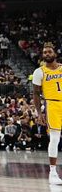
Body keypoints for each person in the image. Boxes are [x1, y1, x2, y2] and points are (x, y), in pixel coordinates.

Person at [32, 42, 62, 184]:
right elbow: (36, 94)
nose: (47, 54)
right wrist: (39, 113)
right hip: (52, 104)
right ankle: (52, 172)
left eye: (49, 52)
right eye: (45, 52)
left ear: (54, 53)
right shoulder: (39, 72)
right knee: (55, 138)